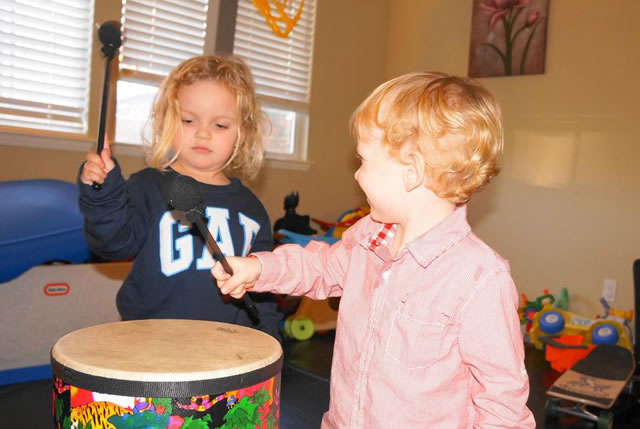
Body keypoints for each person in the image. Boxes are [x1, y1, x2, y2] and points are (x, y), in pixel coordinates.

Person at [212, 72, 536, 427]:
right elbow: (320, 266)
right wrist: (260, 269)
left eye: (364, 161)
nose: (356, 174)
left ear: (412, 171)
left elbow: (502, 402)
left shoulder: (478, 278)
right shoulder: (369, 236)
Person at [78, 55, 281, 339]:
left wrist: (270, 341)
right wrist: (103, 194)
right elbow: (114, 244)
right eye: (188, 120)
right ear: (167, 123)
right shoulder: (147, 186)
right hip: (148, 344)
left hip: (224, 348)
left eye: (220, 125)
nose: (203, 134)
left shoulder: (252, 209)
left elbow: (262, 291)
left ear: (243, 133)